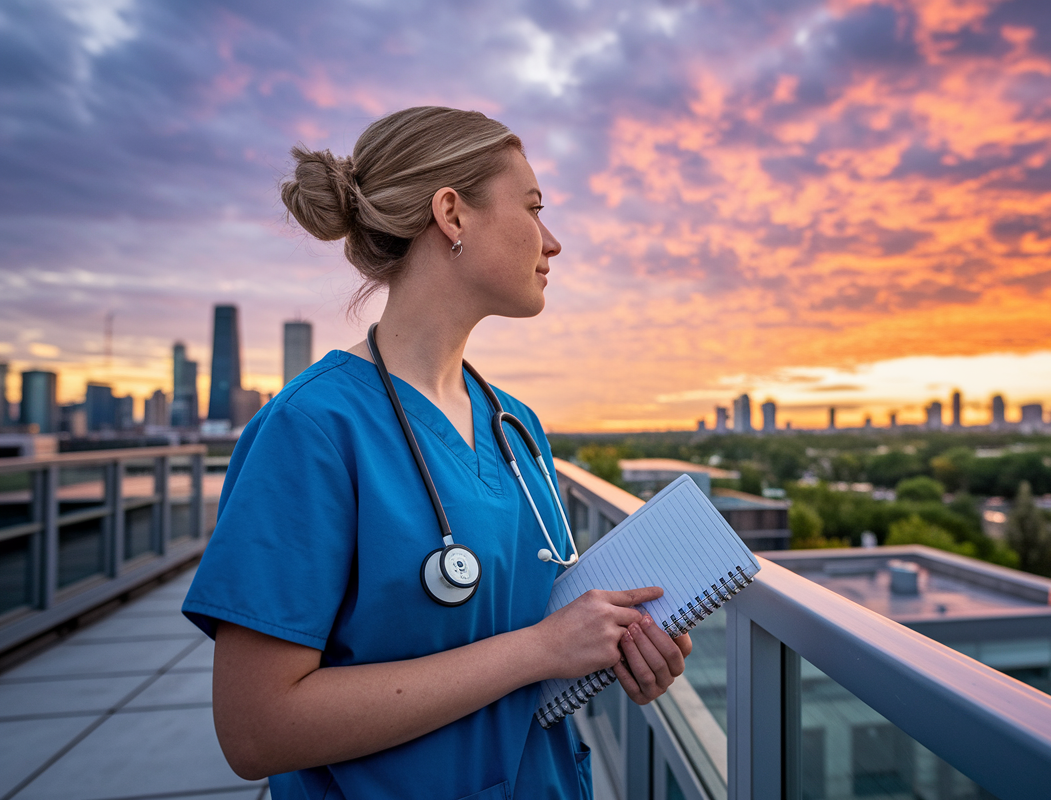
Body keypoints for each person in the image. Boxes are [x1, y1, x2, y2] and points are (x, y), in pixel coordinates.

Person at [182, 106, 692, 800]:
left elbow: (526, 637)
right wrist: (541, 649)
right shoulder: (311, 429)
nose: (554, 241)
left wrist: (613, 646)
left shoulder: (516, 426)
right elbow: (256, 729)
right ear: (452, 215)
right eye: (534, 207)